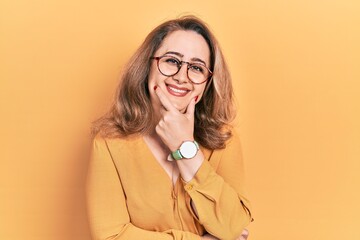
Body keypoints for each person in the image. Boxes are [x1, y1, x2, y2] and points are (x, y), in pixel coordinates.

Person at [86, 15, 253, 240]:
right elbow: (110, 236)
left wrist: (185, 148)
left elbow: (233, 227)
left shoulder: (224, 140)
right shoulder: (109, 142)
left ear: (207, 81)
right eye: (172, 61)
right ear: (148, 66)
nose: (181, 77)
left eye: (196, 67)